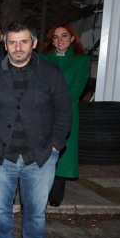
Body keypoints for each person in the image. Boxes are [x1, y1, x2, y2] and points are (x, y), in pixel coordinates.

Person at [0, 22, 72, 238]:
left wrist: (55, 144)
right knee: (0, 207)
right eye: (12, 42)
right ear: (5, 45)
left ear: (33, 43)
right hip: (0, 154)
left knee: (35, 209)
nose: (18, 47)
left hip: (41, 155)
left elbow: (64, 110)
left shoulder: (50, 72)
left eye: (23, 41)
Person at [39, 23, 90, 207]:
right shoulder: (42, 58)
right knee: (42, 151)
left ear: (72, 38)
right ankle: (39, 193)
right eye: (55, 36)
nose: (59, 40)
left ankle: (55, 195)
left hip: (67, 111)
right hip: (43, 112)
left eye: (64, 36)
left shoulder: (81, 60)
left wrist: (58, 105)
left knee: (63, 154)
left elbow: (77, 88)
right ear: (51, 40)